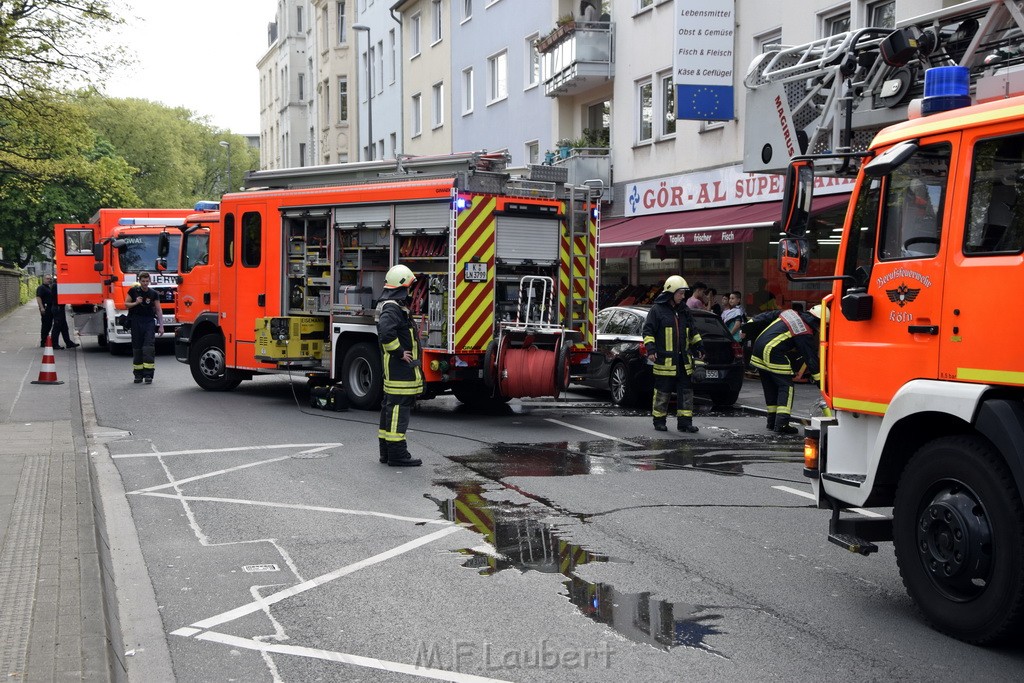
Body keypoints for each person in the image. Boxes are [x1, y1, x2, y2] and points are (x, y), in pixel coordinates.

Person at [749, 304, 826, 435]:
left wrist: (750, 322)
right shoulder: (804, 330)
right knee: (786, 387)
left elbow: (767, 315)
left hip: (758, 348)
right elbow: (810, 357)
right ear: (819, 321)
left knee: (770, 386)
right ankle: (782, 423)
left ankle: (772, 421)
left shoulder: (790, 313)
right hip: (772, 351)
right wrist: (820, 381)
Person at [643, 275, 705, 433]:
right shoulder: (657, 310)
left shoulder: (684, 310)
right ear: (671, 293)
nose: (683, 296)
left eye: (684, 293)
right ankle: (659, 421)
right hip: (665, 360)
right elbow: (648, 331)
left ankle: (685, 423)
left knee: (686, 393)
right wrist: (651, 350)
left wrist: (699, 346)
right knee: (662, 393)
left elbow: (692, 331)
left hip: (683, 361)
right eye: (681, 293)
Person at [376, 264, 423, 466]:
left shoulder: (394, 307)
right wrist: (398, 352)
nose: (411, 291)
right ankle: (397, 454)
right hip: (399, 374)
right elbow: (386, 333)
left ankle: (387, 452)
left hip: (396, 372)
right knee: (397, 411)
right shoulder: (392, 309)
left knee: (390, 409)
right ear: (403, 287)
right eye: (410, 287)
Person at [125, 271, 164, 384]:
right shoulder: (133, 291)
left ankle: (148, 375)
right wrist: (136, 303)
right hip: (136, 321)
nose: (145, 283)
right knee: (137, 348)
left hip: (149, 322)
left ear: (149, 281)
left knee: (148, 348)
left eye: (147, 281)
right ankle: (138, 375)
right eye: (143, 281)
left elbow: (158, 309)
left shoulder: (153, 293)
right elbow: (126, 304)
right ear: (139, 281)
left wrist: (161, 326)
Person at [49, 278, 79, 349]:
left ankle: (68, 342)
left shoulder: (55, 286)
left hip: (59, 308)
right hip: (58, 308)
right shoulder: (56, 286)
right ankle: (55, 344)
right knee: (57, 326)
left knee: (64, 327)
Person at [35, 274, 54, 347]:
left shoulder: (48, 287)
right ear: (43, 279)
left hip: (49, 308)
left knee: (49, 325)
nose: (49, 280)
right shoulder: (41, 288)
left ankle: (46, 340)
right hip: (45, 308)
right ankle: (43, 342)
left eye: (50, 279)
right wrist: (41, 307)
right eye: (47, 279)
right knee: (45, 325)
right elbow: (38, 297)